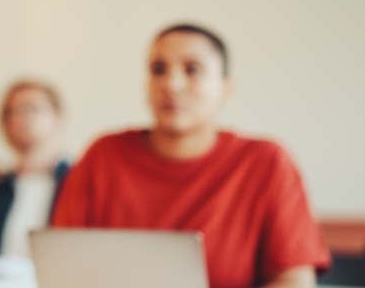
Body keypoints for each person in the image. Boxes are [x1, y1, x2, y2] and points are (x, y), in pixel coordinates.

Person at [51, 23, 331, 288]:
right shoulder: (104, 156)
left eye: (192, 69)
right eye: (158, 69)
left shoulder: (266, 162)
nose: (171, 84)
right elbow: (59, 266)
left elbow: (295, 281)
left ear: (225, 87)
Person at [0, 80, 70, 261]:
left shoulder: (78, 184)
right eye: (11, 112)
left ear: (57, 117)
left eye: (31, 108)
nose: (20, 118)